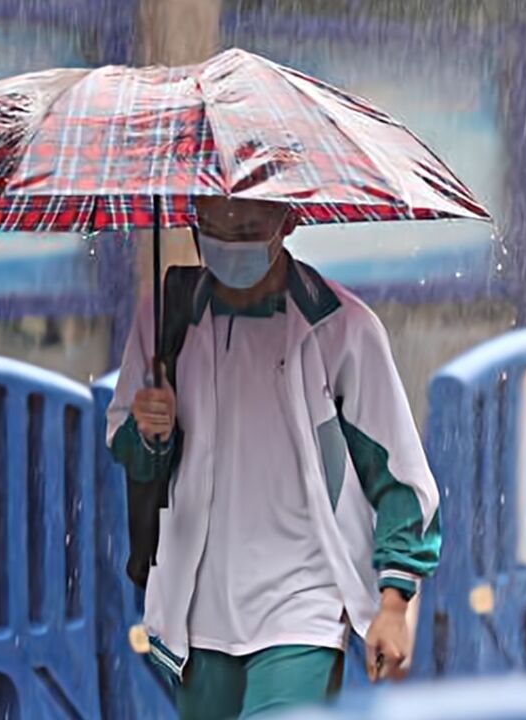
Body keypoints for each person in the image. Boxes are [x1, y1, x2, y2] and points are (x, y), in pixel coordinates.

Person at [106, 197, 441, 719]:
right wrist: (149, 432)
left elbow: (398, 473)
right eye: (213, 223)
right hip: (196, 608)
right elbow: (130, 454)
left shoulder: (343, 328)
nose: (229, 237)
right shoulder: (164, 319)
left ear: (289, 221)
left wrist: (395, 599)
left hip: (303, 605)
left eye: (248, 225)